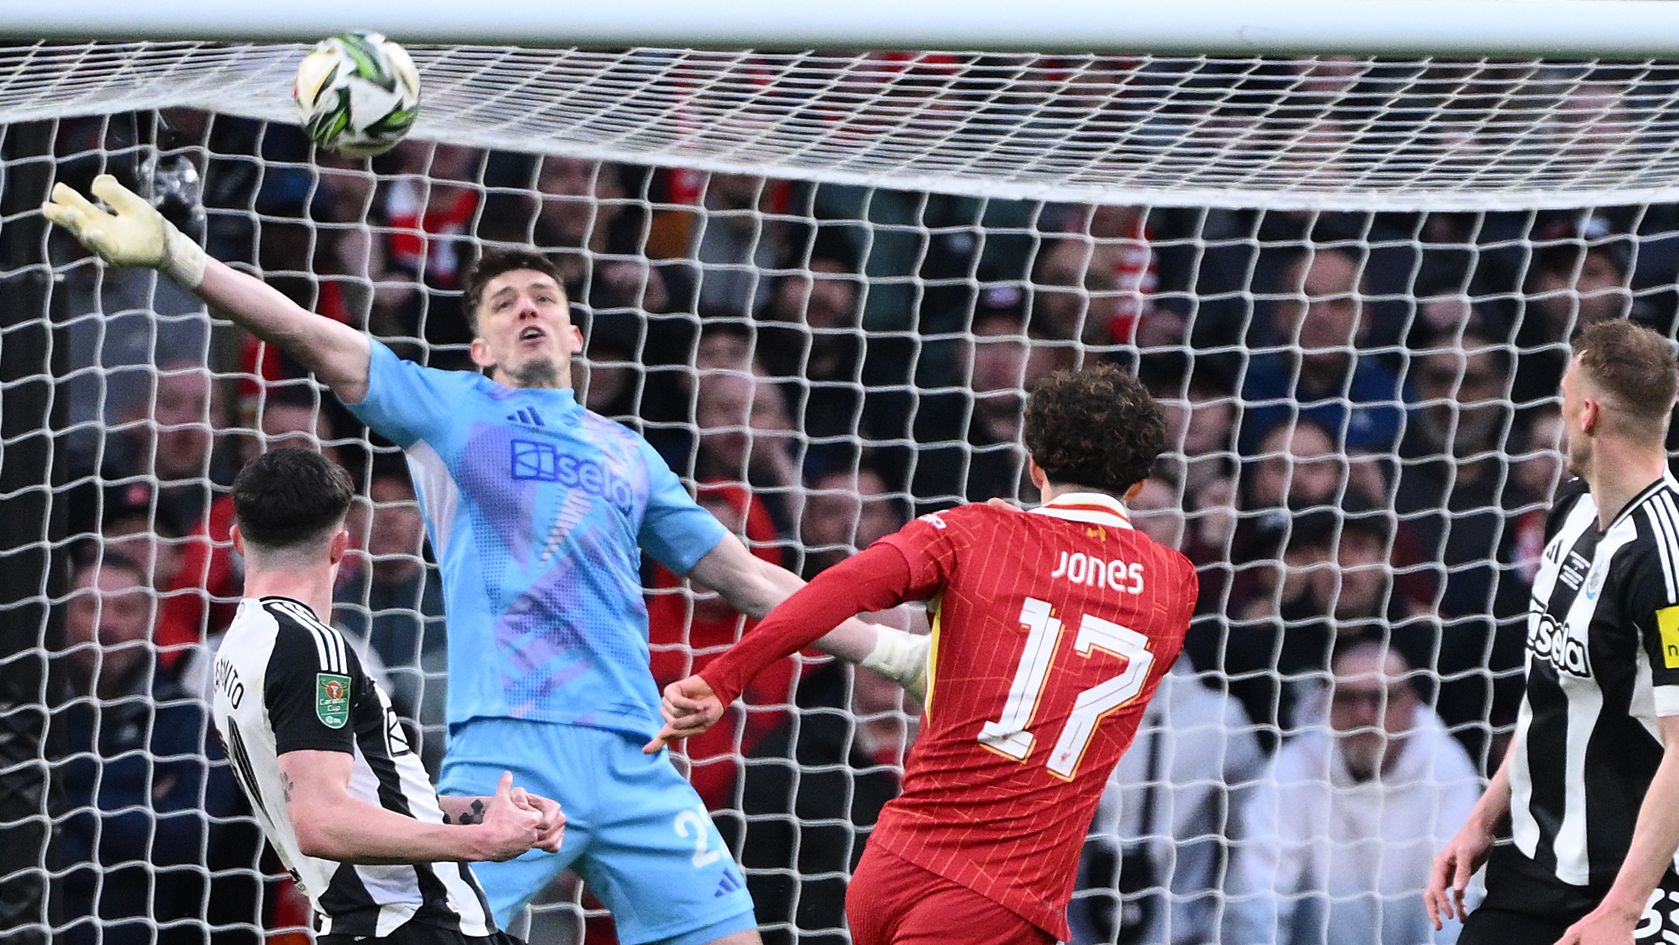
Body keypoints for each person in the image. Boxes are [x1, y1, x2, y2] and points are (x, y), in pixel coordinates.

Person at [44, 174, 929, 945]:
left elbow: (748, 579)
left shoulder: (630, 454)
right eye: (504, 303)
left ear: (576, 335)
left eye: (542, 296)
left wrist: (892, 651)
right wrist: (180, 260)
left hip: (634, 754)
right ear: (480, 347)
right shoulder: (449, 408)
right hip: (506, 751)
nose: (527, 309)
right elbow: (313, 334)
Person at [649, 364, 1199, 945]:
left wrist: (722, 677)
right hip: (998, 894)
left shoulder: (973, 533)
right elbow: (1072, 630)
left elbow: (836, 592)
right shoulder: (1175, 584)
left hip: (891, 866)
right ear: (1138, 484)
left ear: (1034, 464)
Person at [209, 448, 562, 944]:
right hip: (415, 926)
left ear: (237, 541)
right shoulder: (311, 646)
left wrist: (485, 812)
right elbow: (322, 822)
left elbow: (361, 796)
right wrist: (477, 841)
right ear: (340, 547)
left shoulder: (236, 650)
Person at [1426, 319, 1679, 944]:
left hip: (1635, 889)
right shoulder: (1569, 507)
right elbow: (1551, 686)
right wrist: (1484, 816)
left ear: (1588, 413)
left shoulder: (1663, 558)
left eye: (1565, 397)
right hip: (1536, 869)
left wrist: (1622, 911)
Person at [1227, 637, 1478, 945]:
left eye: (1380, 698)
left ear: (1411, 704)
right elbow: (1258, 895)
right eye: (1347, 698)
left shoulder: (1447, 768)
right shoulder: (1293, 767)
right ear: (1327, 704)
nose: (1363, 714)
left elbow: (1456, 899)